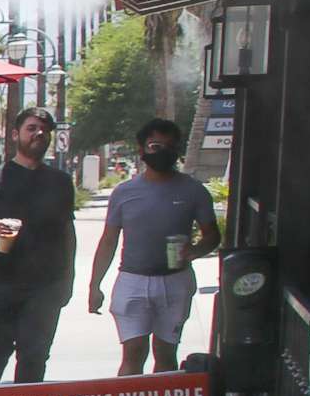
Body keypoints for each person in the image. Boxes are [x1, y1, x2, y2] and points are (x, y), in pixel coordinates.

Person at [88, 117, 220, 375]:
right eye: (155, 145)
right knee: (133, 354)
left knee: (166, 354)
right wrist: (95, 285)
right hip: (132, 280)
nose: (162, 152)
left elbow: (212, 236)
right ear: (142, 149)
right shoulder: (124, 192)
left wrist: (194, 251)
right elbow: (108, 240)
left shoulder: (194, 191)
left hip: (176, 281)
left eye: (169, 146)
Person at [0, 106, 79, 383]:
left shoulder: (61, 182)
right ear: (16, 134)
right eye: (32, 128)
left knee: (34, 357)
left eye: (45, 131)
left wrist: (68, 281)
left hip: (45, 288)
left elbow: (67, 232)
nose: (39, 134)